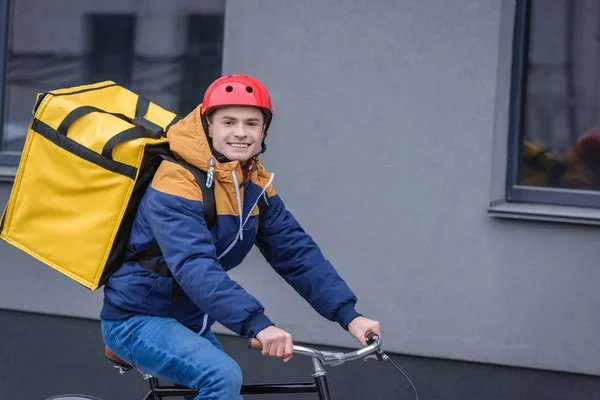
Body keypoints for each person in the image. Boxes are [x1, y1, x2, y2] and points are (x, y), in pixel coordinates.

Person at [100, 74, 381, 400]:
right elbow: (194, 265)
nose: (240, 132)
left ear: (264, 131)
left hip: (188, 321)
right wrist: (257, 323)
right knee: (221, 377)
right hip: (137, 318)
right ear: (208, 125)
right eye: (228, 121)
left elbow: (297, 255)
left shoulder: (254, 186)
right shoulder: (176, 180)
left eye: (251, 123)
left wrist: (351, 317)